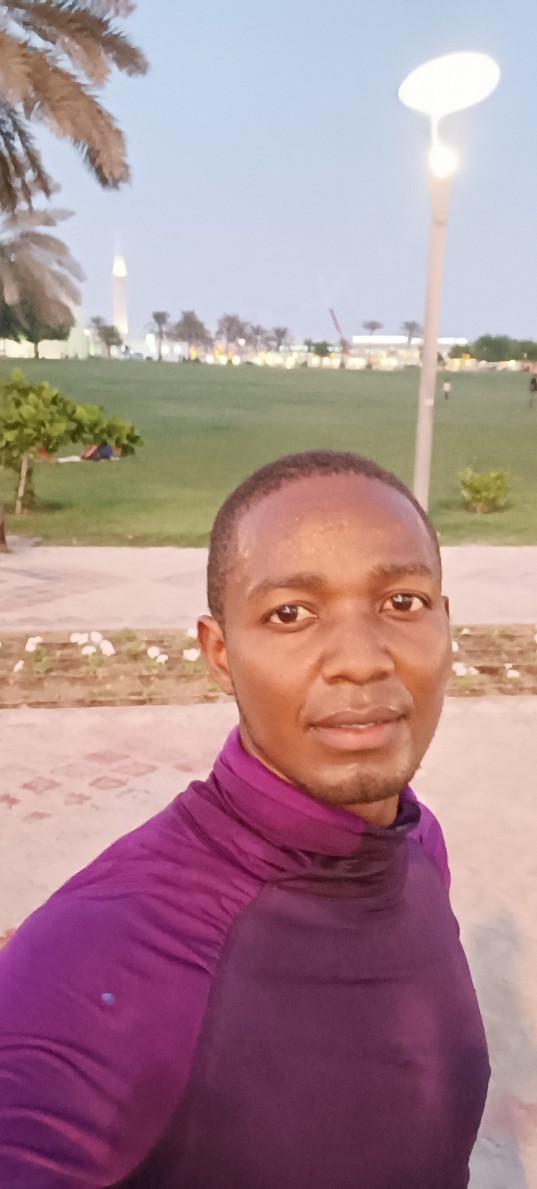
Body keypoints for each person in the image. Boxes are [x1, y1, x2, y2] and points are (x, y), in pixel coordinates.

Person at [0, 450, 489, 1189]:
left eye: (402, 602)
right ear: (220, 652)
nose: (362, 660)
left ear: (446, 623)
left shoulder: (415, 841)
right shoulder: (108, 947)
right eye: (290, 613)